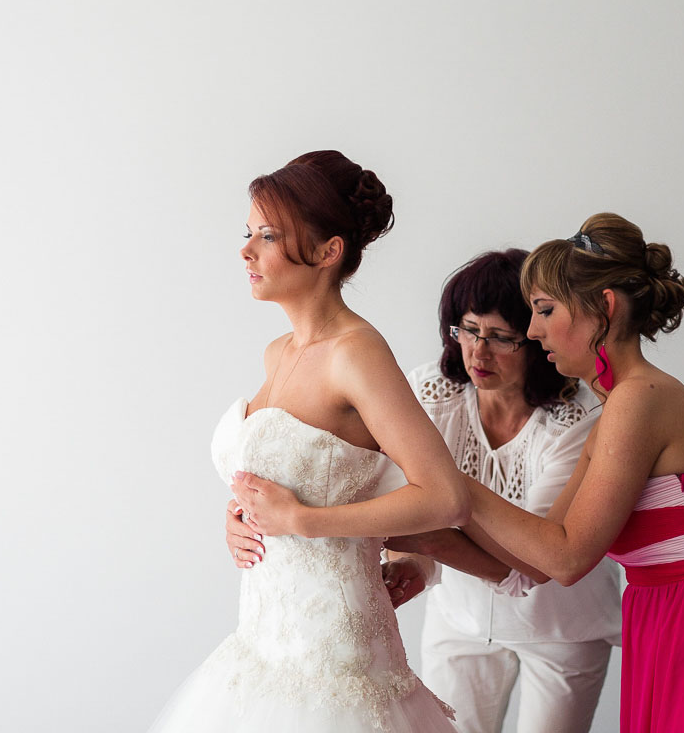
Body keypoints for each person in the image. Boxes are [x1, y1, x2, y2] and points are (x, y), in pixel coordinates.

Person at [229, 250, 622, 733]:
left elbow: (528, 563)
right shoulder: (430, 391)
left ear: (537, 340)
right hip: (459, 617)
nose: (479, 353)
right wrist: (412, 561)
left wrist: (429, 531)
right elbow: (370, 486)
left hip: (563, 623)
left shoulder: (578, 420)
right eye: (467, 330)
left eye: (501, 338)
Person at [148, 151, 469, 733]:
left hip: (335, 663)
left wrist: (299, 519)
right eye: (247, 233)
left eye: (267, 236)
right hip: (262, 643)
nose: (246, 251)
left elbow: (445, 495)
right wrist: (243, 516)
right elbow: (291, 475)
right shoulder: (278, 353)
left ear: (328, 251)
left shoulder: (357, 354)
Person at [458, 213, 684, 732]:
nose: (533, 331)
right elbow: (540, 557)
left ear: (605, 306)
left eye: (545, 310)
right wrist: (422, 534)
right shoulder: (615, 410)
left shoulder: (639, 402)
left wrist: (452, 483)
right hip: (663, 619)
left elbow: (570, 556)